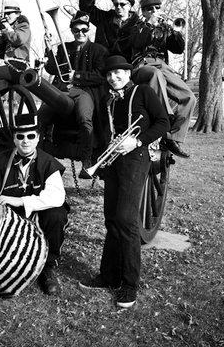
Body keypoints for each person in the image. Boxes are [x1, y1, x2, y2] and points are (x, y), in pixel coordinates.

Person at [79, 55, 169, 309]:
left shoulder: (143, 92)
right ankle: (108, 276)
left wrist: (138, 141)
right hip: (115, 159)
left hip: (136, 157)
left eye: (118, 73)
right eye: (109, 74)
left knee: (127, 220)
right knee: (111, 218)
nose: (113, 77)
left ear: (128, 74)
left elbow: (163, 122)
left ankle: (129, 284)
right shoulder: (109, 101)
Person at [0, 113, 69, 296]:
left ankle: (47, 267)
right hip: (9, 214)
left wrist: (21, 201)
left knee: (57, 214)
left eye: (31, 136)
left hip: (37, 211)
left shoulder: (48, 162)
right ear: (14, 139)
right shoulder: (0, 161)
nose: (26, 141)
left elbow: (56, 196)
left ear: (38, 138)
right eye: (20, 136)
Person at [38, 10, 108, 178]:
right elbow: (52, 68)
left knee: (85, 119)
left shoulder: (98, 50)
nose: (80, 33)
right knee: (40, 118)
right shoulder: (64, 47)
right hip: (63, 91)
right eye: (76, 30)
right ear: (72, 31)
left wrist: (77, 75)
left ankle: (87, 161)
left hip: (85, 92)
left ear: (88, 30)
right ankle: (40, 160)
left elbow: (100, 75)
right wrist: (49, 49)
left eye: (84, 30)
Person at [131, 0, 196, 159]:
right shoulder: (136, 26)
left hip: (163, 65)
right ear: (144, 12)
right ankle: (164, 118)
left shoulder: (164, 28)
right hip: (142, 64)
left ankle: (171, 137)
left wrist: (176, 31)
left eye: (157, 8)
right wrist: (149, 24)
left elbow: (179, 49)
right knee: (156, 74)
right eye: (150, 9)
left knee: (189, 98)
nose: (154, 12)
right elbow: (137, 43)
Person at [77, 0, 141, 58]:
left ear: (129, 6)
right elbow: (86, 9)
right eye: (116, 4)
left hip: (128, 65)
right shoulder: (103, 18)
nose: (118, 7)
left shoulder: (138, 25)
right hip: (103, 62)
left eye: (122, 4)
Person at [0, 0, 32, 67]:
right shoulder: (8, 31)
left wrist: (5, 29)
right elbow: (1, 55)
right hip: (9, 64)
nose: (6, 16)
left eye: (9, 13)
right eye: (4, 14)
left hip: (21, 64)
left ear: (17, 14)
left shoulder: (24, 26)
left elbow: (18, 40)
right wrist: (1, 39)